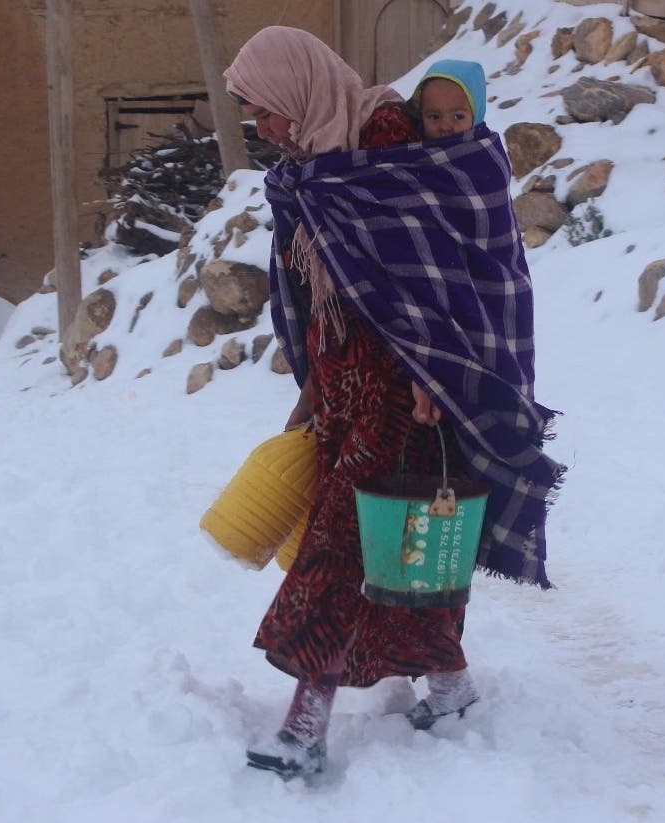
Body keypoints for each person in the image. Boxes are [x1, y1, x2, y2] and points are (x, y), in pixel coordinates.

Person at [223, 28, 564, 779]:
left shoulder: (383, 136)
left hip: (404, 385)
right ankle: (451, 687)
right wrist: (313, 388)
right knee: (402, 543)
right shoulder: (312, 159)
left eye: (263, 111)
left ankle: (305, 727)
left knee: (343, 549)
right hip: (347, 386)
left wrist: (430, 368)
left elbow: (436, 263)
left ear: (296, 89)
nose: (262, 127)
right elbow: (325, 290)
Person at [410, 59, 488, 139]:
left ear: (477, 116)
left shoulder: (486, 149)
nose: (445, 127)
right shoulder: (410, 146)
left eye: (458, 116)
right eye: (434, 117)